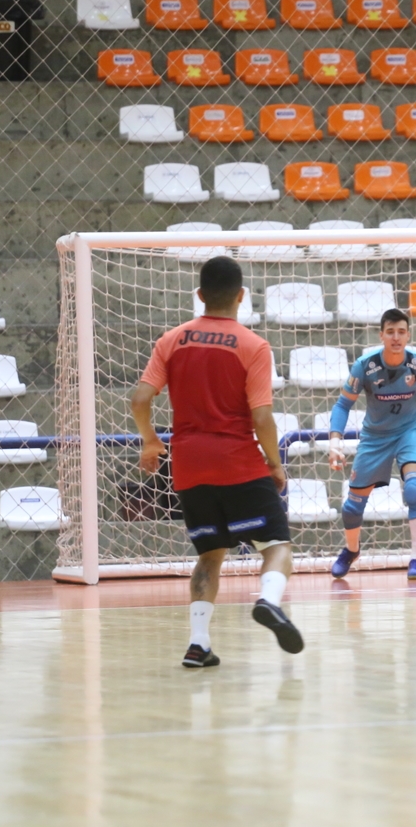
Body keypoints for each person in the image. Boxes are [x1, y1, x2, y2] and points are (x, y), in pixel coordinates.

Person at [131, 256, 304, 667]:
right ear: (241, 296)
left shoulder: (170, 341)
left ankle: (199, 643)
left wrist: (150, 441)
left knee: (210, 554)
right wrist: (275, 464)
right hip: (238, 461)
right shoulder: (253, 345)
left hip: (189, 465)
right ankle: (268, 602)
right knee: (276, 546)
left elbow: (139, 398)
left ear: (199, 295)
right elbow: (261, 416)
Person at [328, 308, 416, 581]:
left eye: (401, 332)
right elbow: (343, 404)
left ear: (408, 335)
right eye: (390, 332)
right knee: (352, 507)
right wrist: (335, 440)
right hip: (375, 437)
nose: (396, 337)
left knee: (415, 488)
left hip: (409, 431)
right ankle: (351, 550)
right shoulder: (365, 365)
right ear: (381, 335)